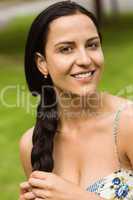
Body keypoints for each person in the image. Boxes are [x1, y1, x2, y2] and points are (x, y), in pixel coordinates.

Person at [19, 1, 133, 200]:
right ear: (42, 63)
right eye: (66, 49)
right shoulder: (31, 144)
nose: (85, 59)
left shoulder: (127, 123)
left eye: (92, 45)